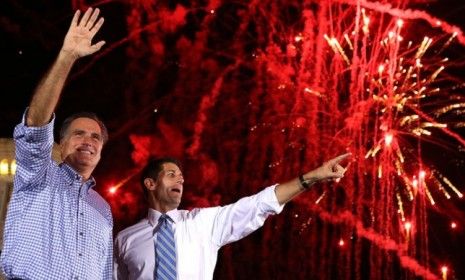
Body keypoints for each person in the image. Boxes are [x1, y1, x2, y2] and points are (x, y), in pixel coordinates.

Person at [0, 7, 113, 279]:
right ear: (60, 146)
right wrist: (67, 56)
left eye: (95, 137)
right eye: (79, 134)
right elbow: (35, 126)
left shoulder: (103, 209)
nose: (88, 141)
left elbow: (106, 271)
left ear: (100, 151)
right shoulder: (38, 175)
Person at [113, 153, 350, 280]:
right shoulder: (125, 240)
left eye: (182, 176)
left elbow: (259, 204)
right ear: (150, 183)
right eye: (172, 174)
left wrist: (313, 176)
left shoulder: (202, 223)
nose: (181, 180)